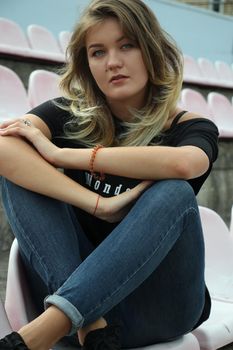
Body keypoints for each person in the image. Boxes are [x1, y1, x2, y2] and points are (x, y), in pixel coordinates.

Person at [0, 0, 219, 349]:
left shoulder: (189, 127)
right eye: (97, 52)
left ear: (150, 50)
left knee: (175, 192)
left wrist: (61, 154)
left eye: (127, 45)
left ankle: (50, 326)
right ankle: (86, 320)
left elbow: (185, 164)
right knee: (18, 171)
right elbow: (4, 149)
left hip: (159, 310)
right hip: (88, 313)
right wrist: (97, 203)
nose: (113, 62)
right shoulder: (69, 114)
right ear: (87, 64)